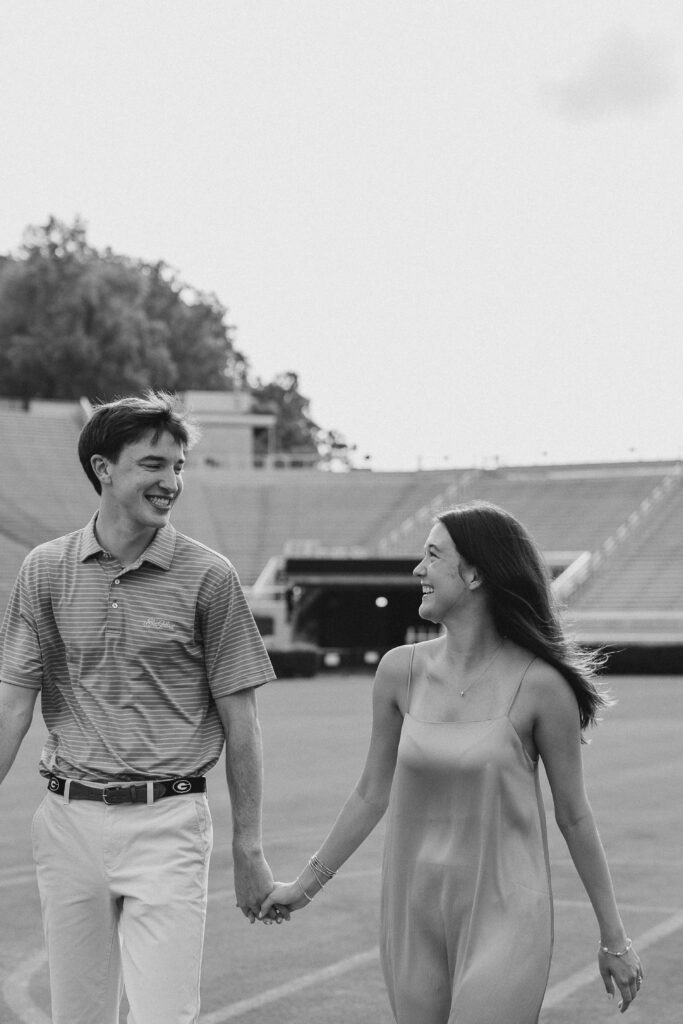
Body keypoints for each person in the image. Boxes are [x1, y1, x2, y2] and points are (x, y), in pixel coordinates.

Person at [260, 500, 644, 1022]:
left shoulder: (541, 685)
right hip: (411, 913)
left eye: (432, 556)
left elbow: (574, 814)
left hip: (507, 913)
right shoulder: (400, 671)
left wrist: (614, 936)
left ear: (475, 572)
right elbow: (372, 791)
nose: (418, 570)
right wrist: (303, 887)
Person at [0, 390, 280, 1024]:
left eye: (178, 466)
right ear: (104, 469)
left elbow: (243, 723)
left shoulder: (210, 577)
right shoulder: (45, 571)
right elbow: (13, 705)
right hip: (67, 821)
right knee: (79, 1017)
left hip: (169, 822)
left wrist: (249, 848)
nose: (171, 481)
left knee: (163, 1016)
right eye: (154, 464)